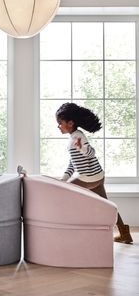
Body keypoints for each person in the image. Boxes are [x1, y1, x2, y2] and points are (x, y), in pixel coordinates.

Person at [56, 102, 133, 244]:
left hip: (87, 178)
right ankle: (124, 233)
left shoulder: (77, 136)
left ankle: (68, 232)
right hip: (97, 176)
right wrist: (64, 179)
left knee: (63, 196)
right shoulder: (74, 137)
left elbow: (91, 153)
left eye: (60, 123)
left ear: (70, 123)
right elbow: (72, 163)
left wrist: (82, 148)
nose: (58, 126)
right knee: (108, 205)